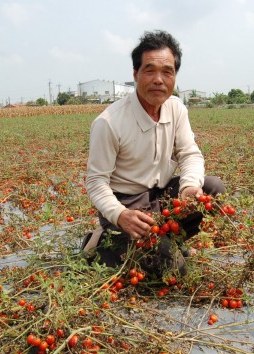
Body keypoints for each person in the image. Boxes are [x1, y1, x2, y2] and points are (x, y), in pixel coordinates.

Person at [83, 30, 225, 275]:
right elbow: (96, 181)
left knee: (213, 189)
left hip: (161, 196)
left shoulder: (176, 108)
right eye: (149, 70)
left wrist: (189, 186)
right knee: (173, 268)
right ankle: (98, 244)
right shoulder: (109, 122)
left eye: (167, 72)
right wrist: (120, 214)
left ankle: (169, 241)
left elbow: (190, 154)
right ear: (135, 74)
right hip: (126, 203)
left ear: (175, 77)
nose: (159, 79)